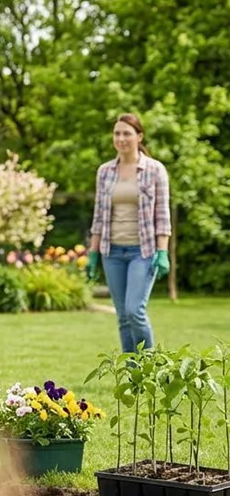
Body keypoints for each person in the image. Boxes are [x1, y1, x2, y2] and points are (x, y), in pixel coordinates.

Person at [87, 113, 171, 353]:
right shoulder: (104, 171)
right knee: (123, 315)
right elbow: (98, 215)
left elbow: (162, 215)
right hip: (111, 251)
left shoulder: (155, 170)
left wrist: (162, 251)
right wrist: (93, 254)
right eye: (117, 133)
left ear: (139, 136)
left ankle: (151, 368)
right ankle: (131, 374)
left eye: (127, 133)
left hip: (142, 251)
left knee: (135, 311)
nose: (121, 138)